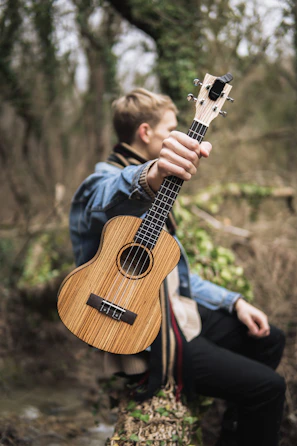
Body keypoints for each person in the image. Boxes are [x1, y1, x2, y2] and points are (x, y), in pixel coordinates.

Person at [69, 88, 286, 446]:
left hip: (165, 307)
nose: (178, 135)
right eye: (171, 128)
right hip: (137, 330)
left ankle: (235, 432)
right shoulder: (101, 180)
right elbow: (102, 195)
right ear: (145, 133)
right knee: (270, 388)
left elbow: (169, 274)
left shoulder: (159, 194)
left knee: (269, 338)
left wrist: (234, 302)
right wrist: (150, 175)